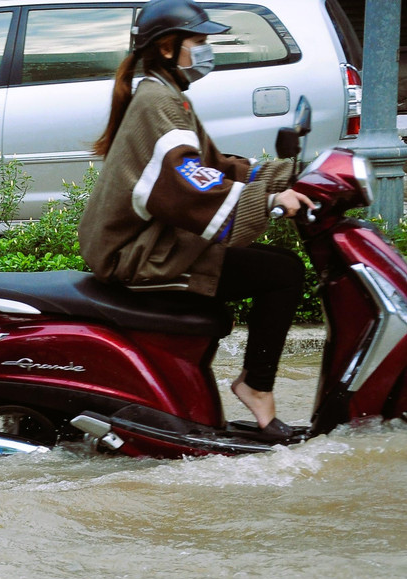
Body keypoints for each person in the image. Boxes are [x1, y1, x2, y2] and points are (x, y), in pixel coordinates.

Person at [78, 0, 315, 441]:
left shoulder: (167, 97)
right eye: (200, 40)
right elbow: (189, 184)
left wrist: (289, 177)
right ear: (168, 48)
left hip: (151, 241)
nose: (207, 50)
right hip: (139, 254)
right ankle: (255, 388)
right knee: (283, 272)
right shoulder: (156, 102)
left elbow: (212, 165)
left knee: (275, 265)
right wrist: (267, 202)